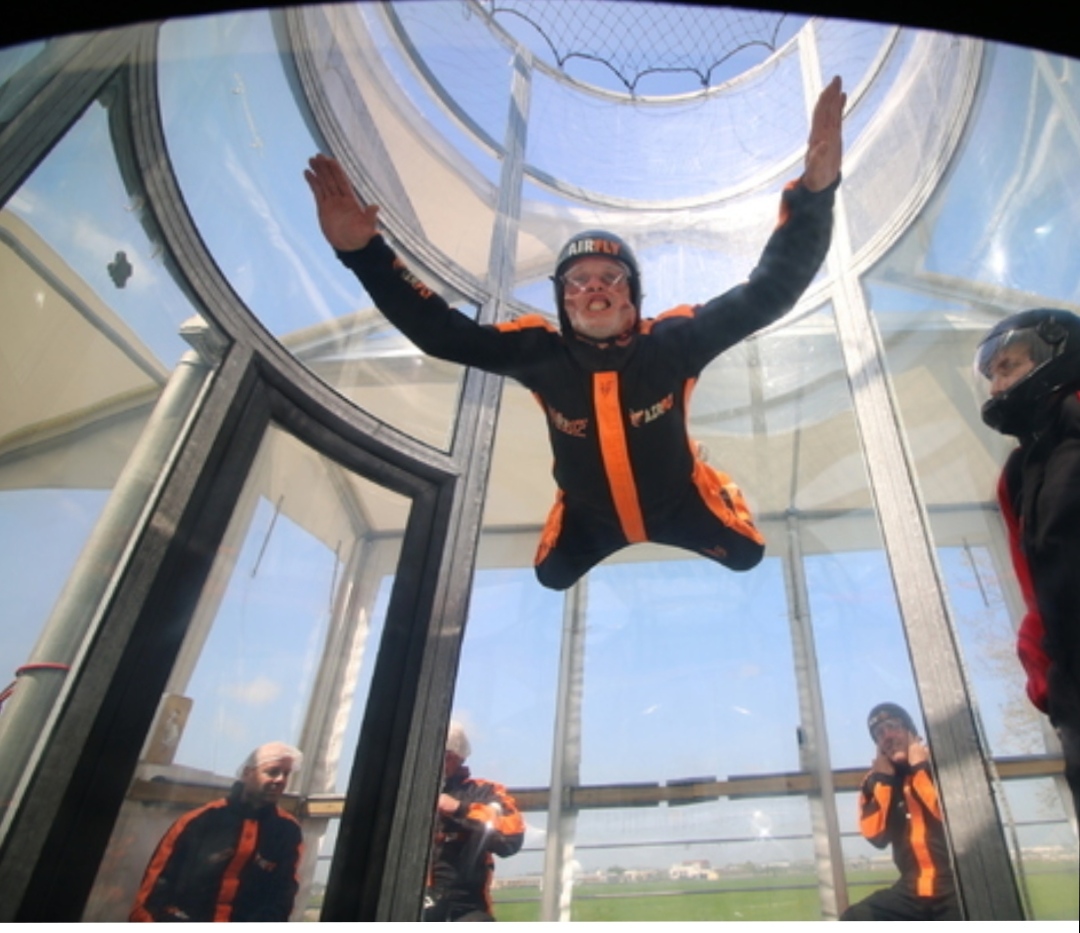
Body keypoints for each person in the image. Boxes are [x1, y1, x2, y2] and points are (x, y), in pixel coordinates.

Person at [304, 78, 845, 591]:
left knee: (747, 554)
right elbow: (442, 335)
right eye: (578, 281)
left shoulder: (673, 342)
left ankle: (703, 469)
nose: (595, 287)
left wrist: (814, 196)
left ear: (633, 297)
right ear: (563, 301)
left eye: (611, 277)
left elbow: (769, 292)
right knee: (552, 575)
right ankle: (572, 503)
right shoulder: (539, 351)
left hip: (681, 502)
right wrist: (363, 253)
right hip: (590, 516)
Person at [974, 308, 1080, 820]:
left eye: (1008, 367)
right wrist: (1049, 679)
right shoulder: (1017, 472)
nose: (997, 388)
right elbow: (1035, 581)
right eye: (991, 375)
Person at [130, 742, 304, 922]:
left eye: (286, 774)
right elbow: (155, 889)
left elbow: (284, 894)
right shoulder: (199, 820)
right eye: (272, 772)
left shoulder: (287, 830)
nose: (281, 780)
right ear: (247, 773)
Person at [841, 703, 957, 921]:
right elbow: (876, 836)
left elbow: (953, 819)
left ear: (911, 731)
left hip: (957, 884)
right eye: (879, 733)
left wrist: (920, 768)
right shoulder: (874, 782)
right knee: (854, 919)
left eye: (893, 726)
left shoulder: (942, 765)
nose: (887, 736)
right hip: (912, 890)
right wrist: (885, 782)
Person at [424, 721, 524, 921]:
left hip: (466, 907)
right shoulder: (406, 792)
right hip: (412, 903)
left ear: (458, 758)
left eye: (446, 756)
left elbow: (511, 838)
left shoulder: (484, 792)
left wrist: (461, 809)